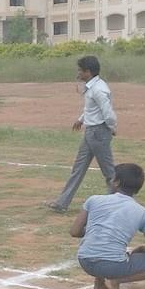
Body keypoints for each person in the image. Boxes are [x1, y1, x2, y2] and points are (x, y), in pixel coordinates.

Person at [70, 163, 145, 289]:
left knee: (107, 245)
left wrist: (94, 231)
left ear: (117, 182)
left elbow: (74, 231)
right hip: (113, 266)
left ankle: (99, 285)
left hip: (85, 261)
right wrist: (143, 249)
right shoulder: (144, 213)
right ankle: (117, 280)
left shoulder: (93, 200)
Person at [46, 55, 117, 213]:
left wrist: (111, 127)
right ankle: (62, 203)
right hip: (91, 132)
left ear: (89, 72)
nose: (78, 73)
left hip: (98, 132)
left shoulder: (99, 89)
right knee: (78, 168)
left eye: (80, 70)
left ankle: (119, 203)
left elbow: (108, 113)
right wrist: (81, 120)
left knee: (110, 172)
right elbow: (92, 109)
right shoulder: (93, 87)